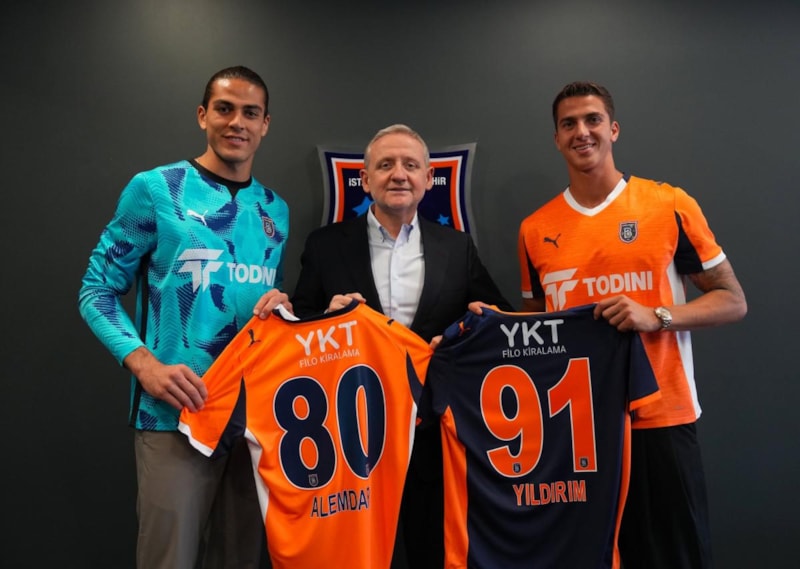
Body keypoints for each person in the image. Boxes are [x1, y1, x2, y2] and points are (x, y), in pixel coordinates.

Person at [258, 123, 512, 569]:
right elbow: (300, 330)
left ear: (428, 178)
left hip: (433, 432)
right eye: (386, 165)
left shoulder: (457, 247)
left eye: (410, 165)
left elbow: (497, 319)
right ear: (365, 178)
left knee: (431, 551)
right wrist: (324, 315)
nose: (399, 174)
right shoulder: (325, 246)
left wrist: (470, 327)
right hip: (353, 438)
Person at [517, 81, 747, 568]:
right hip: (576, 430)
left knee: (675, 557)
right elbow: (540, 325)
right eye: (568, 124)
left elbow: (733, 301)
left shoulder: (668, 204)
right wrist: (490, 325)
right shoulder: (535, 230)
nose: (582, 132)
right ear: (556, 139)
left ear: (614, 129)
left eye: (593, 120)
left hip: (662, 419)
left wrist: (656, 317)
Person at [78, 65, 290, 569]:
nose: (237, 122)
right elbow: (96, 290)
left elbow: (262, 303)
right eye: (224, 109)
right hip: (175, 416)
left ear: (265, 125)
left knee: (239, 559)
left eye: (250, 113)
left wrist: (282, 307)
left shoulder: (275, 208)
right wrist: (144, 365)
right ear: (202, 115)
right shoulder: (157, 189)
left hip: (253, 423)